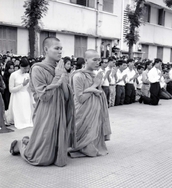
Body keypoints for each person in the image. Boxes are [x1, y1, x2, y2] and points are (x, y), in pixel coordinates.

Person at [9, 37, 75, 167]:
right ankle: (19, 145)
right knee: (40, 158)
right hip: (45, 112)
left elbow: (67, 96)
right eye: (56, 48)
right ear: (46, 49)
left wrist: (62, 79)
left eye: (61, 48)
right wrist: (57, 77)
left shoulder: (59, 68)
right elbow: (44, 97)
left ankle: (31, 143)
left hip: (59, 110)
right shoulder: (37, 69)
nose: (60, 51)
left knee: (55, 155)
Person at [69, 49, 111, 158]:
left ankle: (91, 143)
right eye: (95, 60)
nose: (98, 63)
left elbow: (97, 91)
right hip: (82, 111)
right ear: (86, 60)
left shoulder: (94, 74)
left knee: (93, 146)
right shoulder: (78, 76)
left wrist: (96, 89)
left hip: (94, 110)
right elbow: (80, 98)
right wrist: (94, 86)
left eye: (99, 60)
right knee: (84, 143)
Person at [5, 57, 34, 129]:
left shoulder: (28, 75)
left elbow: (30, 89)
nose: (26, 70)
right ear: (20, 66)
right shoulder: (14, 75)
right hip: (16, 96)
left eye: (28, 68)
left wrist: (32, 99)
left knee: (27, 115)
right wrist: (22, 85)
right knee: (19, 115)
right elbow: (11, 89)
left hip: (26, 96)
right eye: (25, 68)